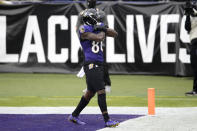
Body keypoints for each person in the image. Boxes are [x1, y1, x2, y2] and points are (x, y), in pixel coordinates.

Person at [68, 8, 119, 127]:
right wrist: (101, 29)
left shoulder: (97, 27)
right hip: (91, 64)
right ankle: (107, 120)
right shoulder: (83, 29)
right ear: (90, 18)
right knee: (101, 90)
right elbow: (99, 38)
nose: (98, 18)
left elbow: (115, 34)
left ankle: (74, 115)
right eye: (96, 17)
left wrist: (104, 28)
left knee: (90, 93)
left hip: (99, 64)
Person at [76, 0, 111, 93]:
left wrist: (100, 35)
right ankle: (89, 85)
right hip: (87, 41)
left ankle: (107, 84)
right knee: (87, 63)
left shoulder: (101, 13)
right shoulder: (82, 14)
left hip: (99, 41)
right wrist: (82, 39)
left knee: (102, 63)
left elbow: (106, 27)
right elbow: (78, 27)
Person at [184, 1, 197, 96]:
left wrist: (195, 12)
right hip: (194, 42)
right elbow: (187, 27)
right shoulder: (191, 15)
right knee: (195, 66)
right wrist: (188, 15)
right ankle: (195, 89)